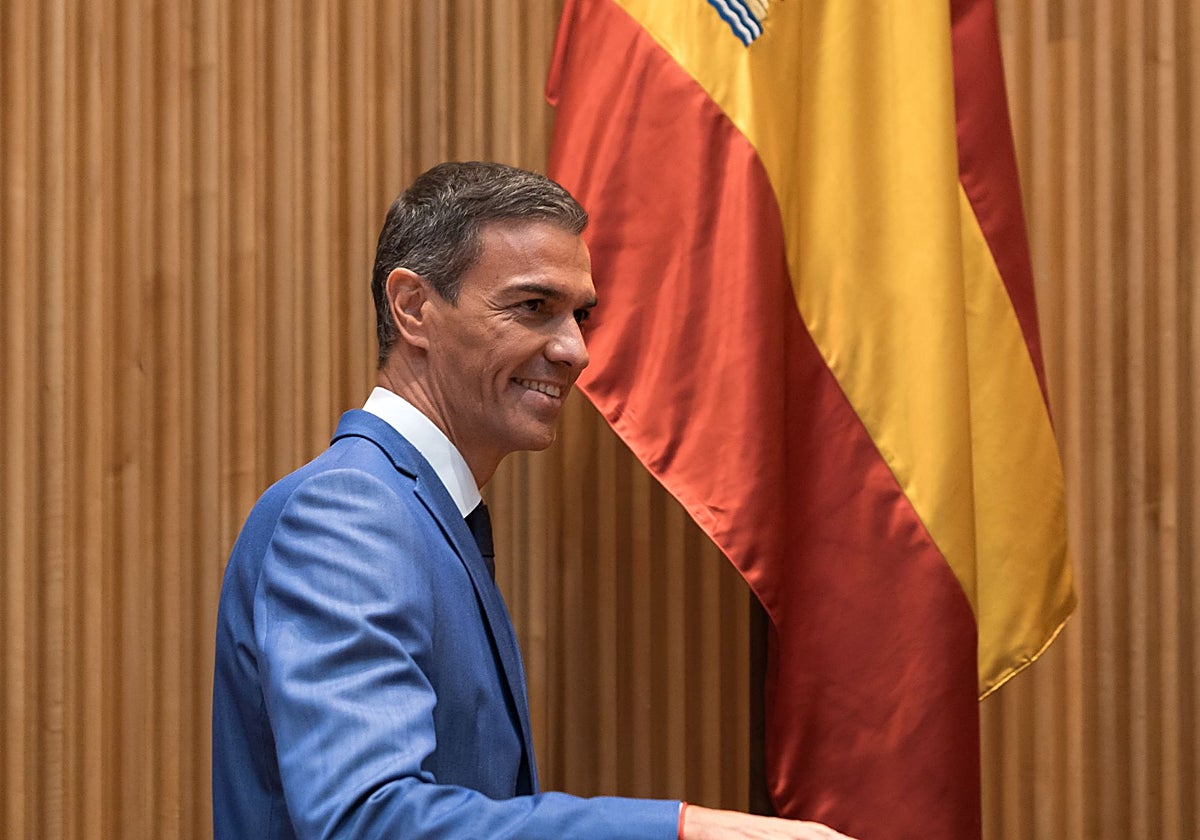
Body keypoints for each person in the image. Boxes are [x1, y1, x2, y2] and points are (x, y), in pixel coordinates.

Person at [212, 161, 855, 840]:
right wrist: (685, 831)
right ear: (413, 308)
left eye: (582, 315)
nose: (576, 350)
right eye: (533, 307)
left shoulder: (423, 513)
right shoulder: (349, 511)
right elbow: (368, 821)